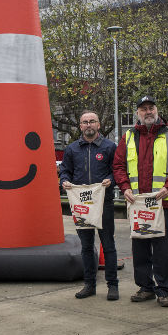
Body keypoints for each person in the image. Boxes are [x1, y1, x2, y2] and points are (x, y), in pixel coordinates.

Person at [113, 96, 168, 307]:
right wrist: (125, 188)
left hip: (162, 203)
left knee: (162, 250)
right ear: (138, 113)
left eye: (151, 108)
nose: (148, 112)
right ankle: (145, 287)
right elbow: (118, 166)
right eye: (143, 109)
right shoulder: (128, 137)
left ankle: (163, 290)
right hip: (137, 203)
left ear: (157, 110)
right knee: (140, 248)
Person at [59, 110, 118, 301]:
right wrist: (64, 181)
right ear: (80, 126)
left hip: (104, 204)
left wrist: (110, 180)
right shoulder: (72, 149)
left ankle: (112, 285)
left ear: (99, 125)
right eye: (85, 122)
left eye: (92, 121)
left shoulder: (110, 147)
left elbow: (117, 172)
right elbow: (65, 172)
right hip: (81, 205)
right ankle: (89, 284)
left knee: (108, 245)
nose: (89, 125)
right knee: (86, 246)